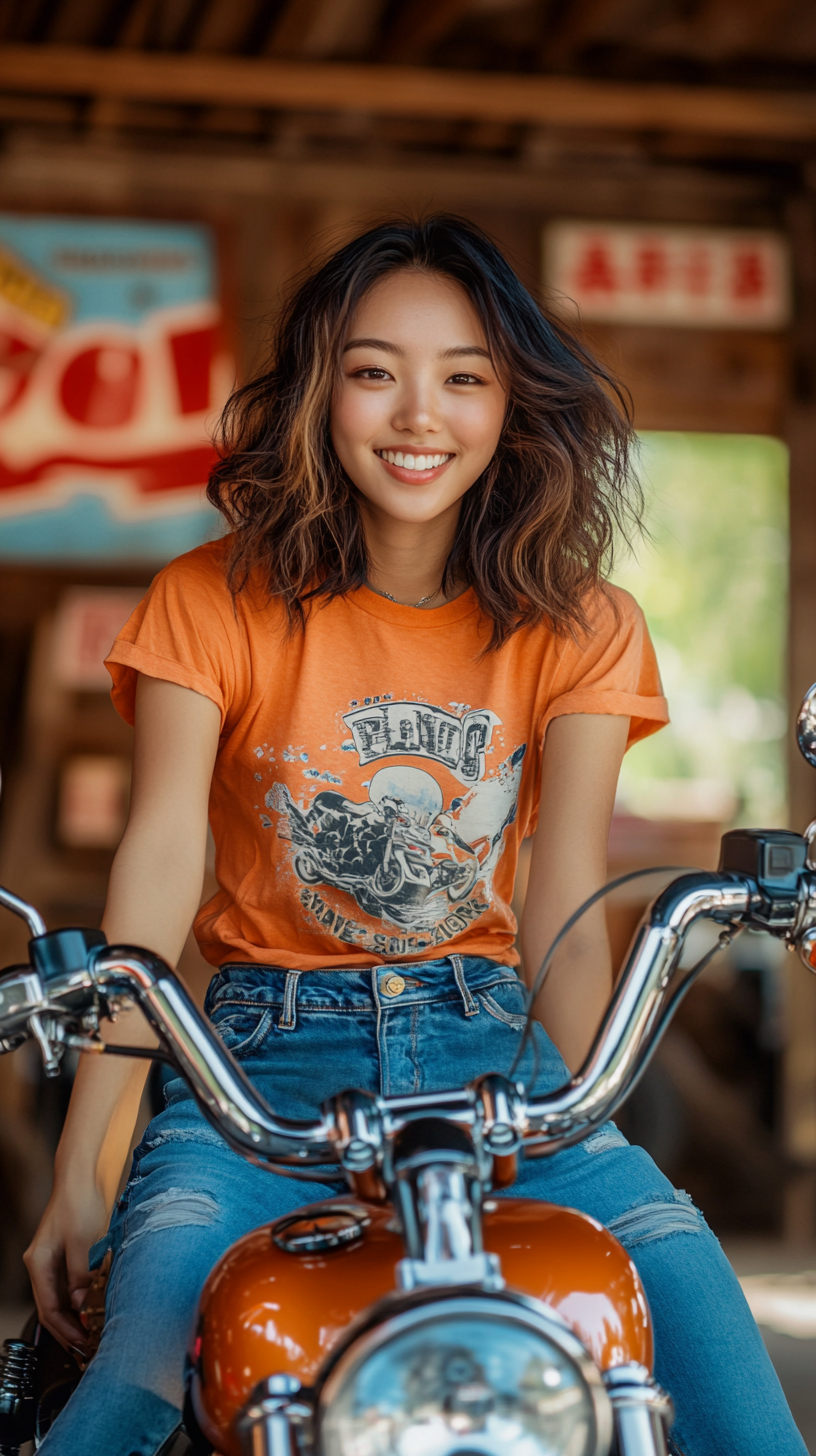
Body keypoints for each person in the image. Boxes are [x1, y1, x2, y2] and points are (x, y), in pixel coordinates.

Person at [24, 216, 805, 1456]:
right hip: (253, 1078)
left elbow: (563, 895)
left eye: (465, 376)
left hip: (500, 1061)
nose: (417, 415)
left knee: (717, 1368)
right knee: (129, 1382)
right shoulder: (206, 598)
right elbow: (160, 872)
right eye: (375, 370)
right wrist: (84, 1164)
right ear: (321, 393)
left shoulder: (582, 621)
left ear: (512, 405)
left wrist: (592, 1116)